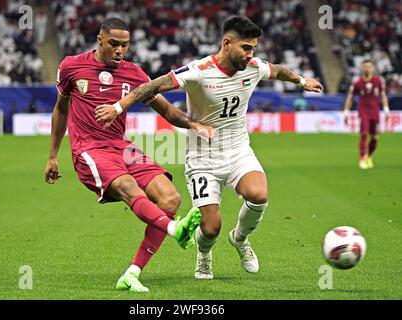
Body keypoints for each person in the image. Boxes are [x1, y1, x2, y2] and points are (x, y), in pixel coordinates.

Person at [95, 16, 323, 280]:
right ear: (227, 44)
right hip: (203, 158)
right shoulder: (199, 71)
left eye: (253, 48)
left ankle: (239, 239)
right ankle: (204, 254)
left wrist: (301, 81)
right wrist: (117, 107)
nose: (251, 55)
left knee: (259, 194)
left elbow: (280, 70)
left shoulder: (254, 67)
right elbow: (152, 86)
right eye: (246, 48)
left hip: (238, 151)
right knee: (211, 228)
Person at [44, 18, 214, 292]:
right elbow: (61, 109)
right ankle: (175, 230)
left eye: (125, 45)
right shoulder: (72, 66)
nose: (120, 50)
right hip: (89, 149)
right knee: (128, 186)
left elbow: (166, 109)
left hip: (122, 147)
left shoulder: (134, 74)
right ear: (100, 40)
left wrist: (193, 124)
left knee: (170, 198)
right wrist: (53, 155)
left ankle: (132, 273)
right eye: (114, 44)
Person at [343, 59, 390, 169]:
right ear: (361, 68)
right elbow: (350, 97)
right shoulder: (357, 83)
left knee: (375, 137)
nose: (367, 69)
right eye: (365, 67)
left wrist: (386, 109)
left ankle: (369, 156)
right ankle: (362, 158)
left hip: (375, 111)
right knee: (364, 133)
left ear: (372, 68)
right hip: (363, 111)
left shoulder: (378, 81)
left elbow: (383, 95)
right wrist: (346, 112)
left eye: (369, 66)